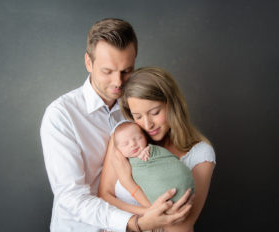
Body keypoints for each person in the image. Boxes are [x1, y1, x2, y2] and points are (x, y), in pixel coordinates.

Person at [40, 18, 193, 232]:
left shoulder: (138, 110)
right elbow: (71, 197)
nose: (118, 82)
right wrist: (134, 222)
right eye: (107, 71)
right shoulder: (61, 116)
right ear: (88, 63)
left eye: (126, 70)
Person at [99, 67, 216, 232]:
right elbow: (104, 197)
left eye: (154, 112)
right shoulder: (126, 136)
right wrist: (147, 214)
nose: (147, 125)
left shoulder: (200, 154)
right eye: (137, 116)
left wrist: (128, 182)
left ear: (172, 105)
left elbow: (181, 225)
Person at [112, 120, 195, 206]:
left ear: (145, 137)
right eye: (126, 144)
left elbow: (167, 160)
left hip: (181, 183)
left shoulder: (151, 150)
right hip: (155, 205)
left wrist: (149, 150)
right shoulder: (121, 163)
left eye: (138, 138)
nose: (133, 144)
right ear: (118, 149)